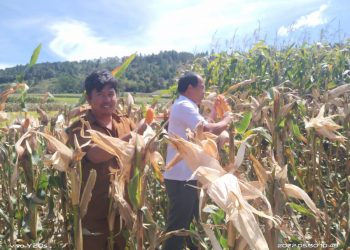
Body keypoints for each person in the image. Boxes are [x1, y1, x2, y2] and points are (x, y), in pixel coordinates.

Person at [66, 69, 145, 250]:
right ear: (89, 99)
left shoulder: (125, 121)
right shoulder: (80, 127)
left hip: (124, 206)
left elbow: (139, 151)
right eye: (100, 94)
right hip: (94, 211)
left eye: (111, 94)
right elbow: (94, 155)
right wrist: (132, 136)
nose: (107, 100)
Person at [163, 72, 233, 250]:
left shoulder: (186, 106)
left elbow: (201, 129)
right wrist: (227, 118)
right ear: (189, 88)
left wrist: (215, 113)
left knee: (192, 226)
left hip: (188, 176)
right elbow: (209, 129)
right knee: (177, 229)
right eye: (201, 87)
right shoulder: (184, 105)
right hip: (181, 178)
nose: (204, 91)